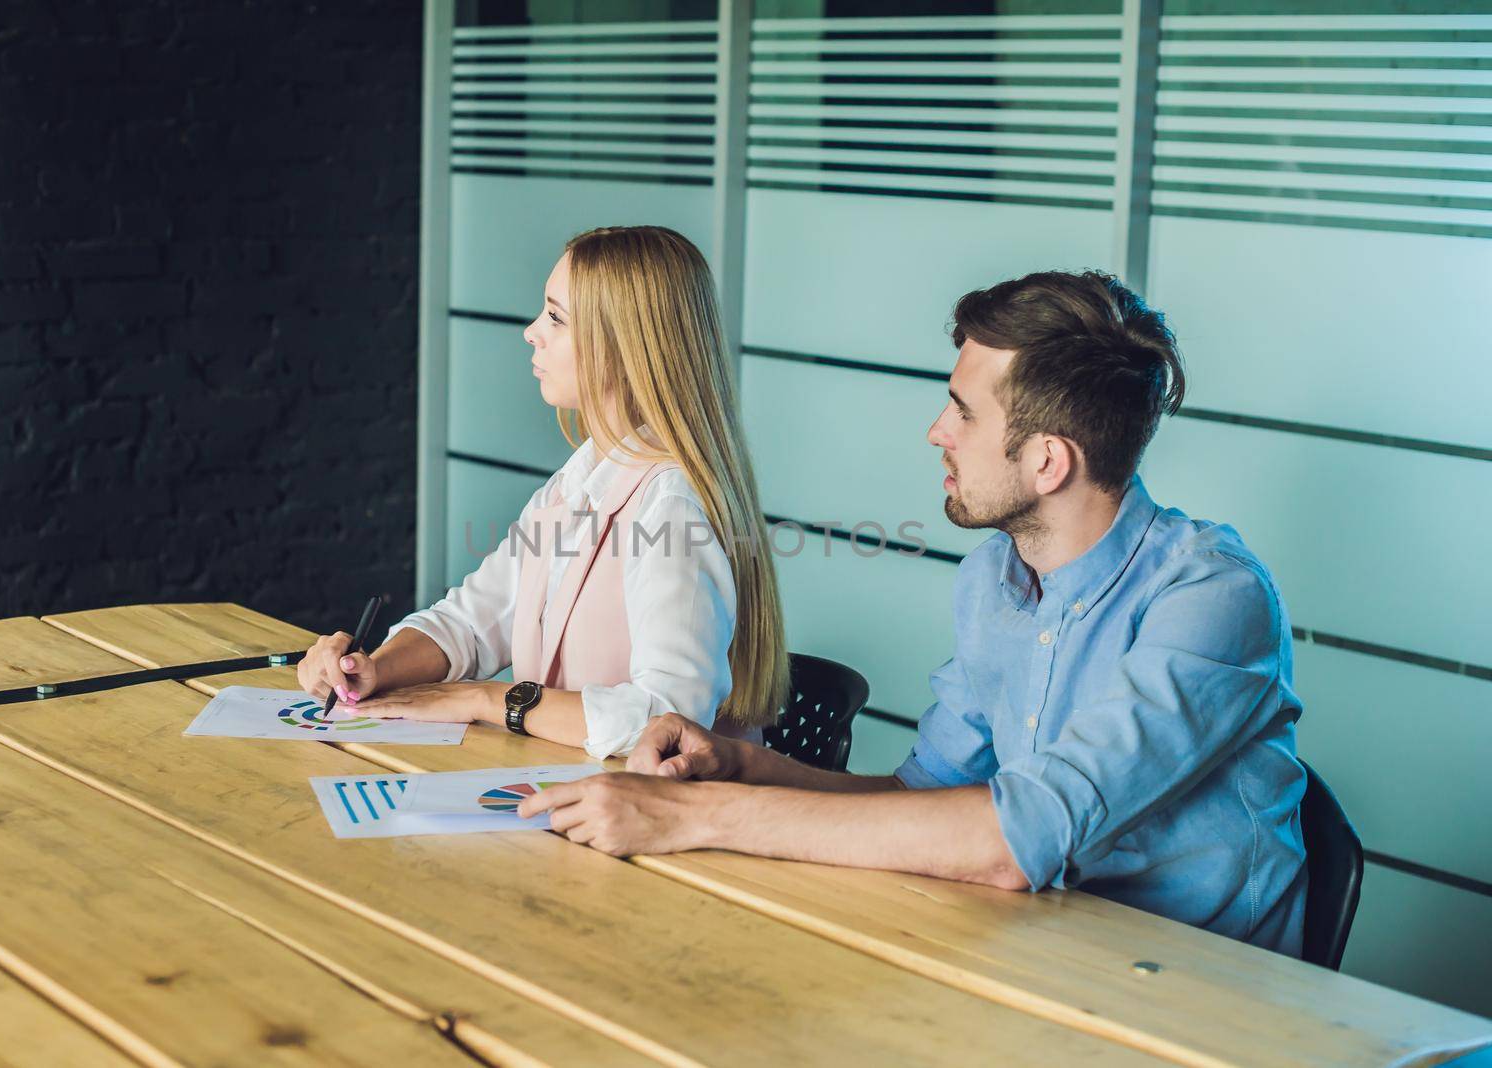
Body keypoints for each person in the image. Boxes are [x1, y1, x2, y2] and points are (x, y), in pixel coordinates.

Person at [522, 269, 1309, 955]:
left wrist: (697, 819)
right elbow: (920, 799)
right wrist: (742, 767)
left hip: (1200, 1009)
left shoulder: (1212, 598)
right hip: (1036, 954)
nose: (938, 432)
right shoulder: (993, 580)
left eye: (963, 412)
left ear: (1047, 460)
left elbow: (1011, 840)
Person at [297, 226, 788, 759]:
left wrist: (489, 700)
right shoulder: (579, 481)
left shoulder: (671, 505)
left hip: (665, 822)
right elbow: (472, 623)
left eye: (556, 317)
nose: (532, 332)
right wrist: (373, 669)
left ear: (623, 344)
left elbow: (670, 719)